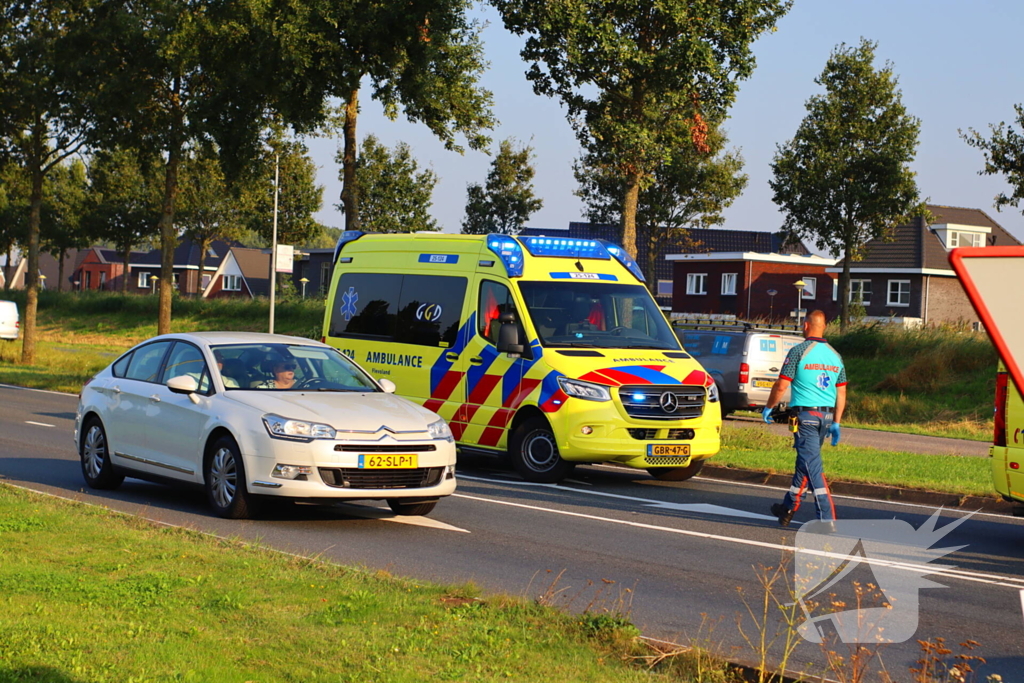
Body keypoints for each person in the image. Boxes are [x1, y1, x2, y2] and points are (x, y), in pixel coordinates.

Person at [762, 309, 846, 530]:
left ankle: (826, 518)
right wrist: (836, 422)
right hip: (826, 417)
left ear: (806, 326)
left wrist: (769, 407)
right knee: (804, 463)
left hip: (805, 417)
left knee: (813, 467)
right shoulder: (835, 355)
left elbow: (781, 384)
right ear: (824, 326)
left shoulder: (798, 351)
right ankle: (788, 508)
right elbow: (842, 392)